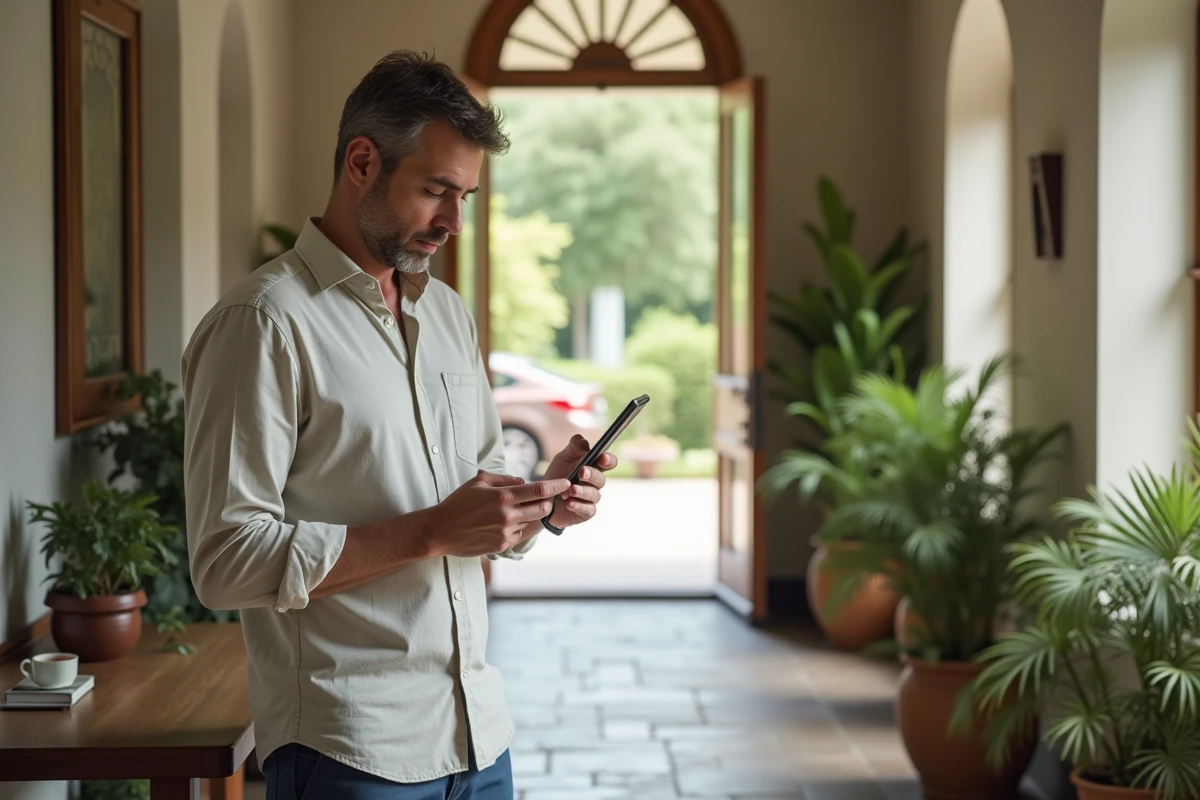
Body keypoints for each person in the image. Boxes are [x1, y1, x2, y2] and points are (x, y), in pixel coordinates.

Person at [181, 50, 615, 800]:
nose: (452, 221)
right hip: (350, 751)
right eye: (435, 191)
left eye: (465, 197)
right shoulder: (263, 323)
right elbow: (225, 561)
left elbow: (471, 500)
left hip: (480, 738)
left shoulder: (445, 314)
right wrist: (432, 531)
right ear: (361, 162)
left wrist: (542, 503)